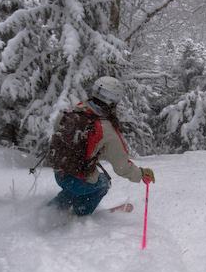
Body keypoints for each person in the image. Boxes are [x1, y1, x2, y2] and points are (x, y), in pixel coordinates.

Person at [47, 76, 155, 216]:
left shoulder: (73, 112)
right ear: (114, 101)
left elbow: (57, 127)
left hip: (59, 173)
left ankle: (51, 210)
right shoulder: (105, 127)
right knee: (103, 182)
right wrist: (140, 173)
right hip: (78, 182)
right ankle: (80, 215)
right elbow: (121, 167)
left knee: (74, 184)